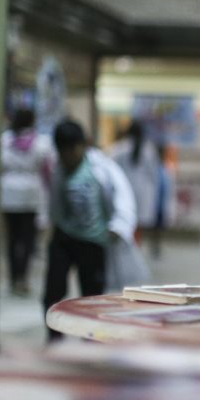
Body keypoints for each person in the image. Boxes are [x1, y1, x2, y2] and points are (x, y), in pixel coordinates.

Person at [43, 119, 137, 340]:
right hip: (64, 237)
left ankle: (91, 340)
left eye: (71, 150)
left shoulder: (101, 167)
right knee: (53, 291)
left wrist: (118, 227)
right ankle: (54, 339)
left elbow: (123, 197)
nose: (67, 157)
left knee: (92, 297)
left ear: (82, 146)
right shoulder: (59, 169)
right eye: (62, 152)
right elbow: (54, 204)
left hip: (93, 242)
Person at [0, 108, 54, 296]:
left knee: (11, 239)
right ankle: (23, 278)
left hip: (8, 195)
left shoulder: (5, 140)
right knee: (27, 239)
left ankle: (13, 277)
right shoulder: (41, 143)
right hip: (30, 195)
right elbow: (47, 171)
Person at [110, 120, 161, 238]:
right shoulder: (149, 150)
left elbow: (112, 168)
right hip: (143, 192)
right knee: (138, 225)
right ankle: (135, 244)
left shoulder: (120, 148)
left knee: (126, 221)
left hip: (125, 189)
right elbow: (154, 175)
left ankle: (129, 244)